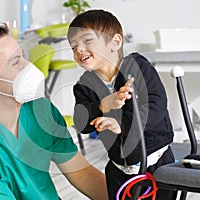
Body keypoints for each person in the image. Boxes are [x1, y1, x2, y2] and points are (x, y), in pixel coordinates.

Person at [0, 24, 108, 200]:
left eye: (23, 57)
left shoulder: (42, 111)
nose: (28, 65)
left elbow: (81, 173)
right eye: (16, 62)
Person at [67, 9, 177, 200]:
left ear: (115, 42)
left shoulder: (137, 66)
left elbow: (156, 105)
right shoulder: (84, 86)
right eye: (73, 46)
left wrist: (122, 124)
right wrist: (103, 105)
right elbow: (81, 122)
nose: (79, 50)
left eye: (87, 41)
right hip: (119, 169)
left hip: (157, 163)